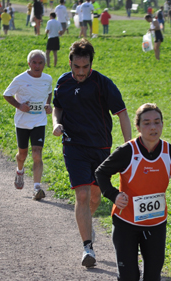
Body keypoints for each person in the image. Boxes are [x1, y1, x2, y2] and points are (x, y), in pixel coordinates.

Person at [95, 103, 171, 281]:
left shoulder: (170, 151)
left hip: (156, 223)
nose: (152, 127)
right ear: (137, 127)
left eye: (157, 122)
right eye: (146, 123)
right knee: (130, 277)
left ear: (162, 124)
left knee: (153, 277)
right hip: (126, 222)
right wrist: (114, 195)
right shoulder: (128, 151)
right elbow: (101, 173)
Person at [51, 39, 132, 268]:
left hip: (100, 148)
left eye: (85, 67)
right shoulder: (63, 83)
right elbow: (58, 106)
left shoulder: (102, 84)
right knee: (83, 196)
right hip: (73, 147)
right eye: (76, 67)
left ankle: (87, 224)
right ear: (70, 63)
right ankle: (88, 247)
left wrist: (130, 147)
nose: (80, 72)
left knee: (96, 196)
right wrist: (57, 123)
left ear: (91, 65)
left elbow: (122, 113)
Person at [3, 50, 53, 201]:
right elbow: (6, 94)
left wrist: (48, 104)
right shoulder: (20, 79)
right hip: (23, 122)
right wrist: (19, 105)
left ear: (44, 64)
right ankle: (19, 170)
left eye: (40, 63)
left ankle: (37, 188)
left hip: (39, 121)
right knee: (22, 154)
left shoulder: (48, 78)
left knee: (37, 153)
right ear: (29, 63)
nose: (37, 66)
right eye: (34, 62)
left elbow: (49, 92)